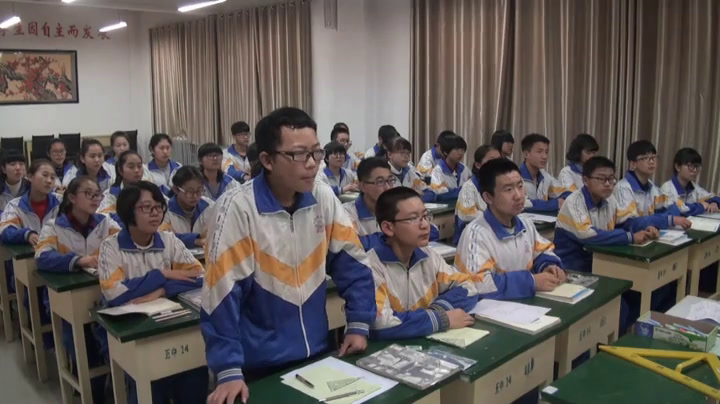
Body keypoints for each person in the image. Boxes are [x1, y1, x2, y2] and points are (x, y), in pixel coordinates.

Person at [202, 107, 376, 404]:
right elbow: (221, 293)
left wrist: (359, 323)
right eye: (298, 155)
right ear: (267, 160)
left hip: (317, 354)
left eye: (316, 153)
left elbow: (354, 264)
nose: (312, 164)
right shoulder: (238, 207)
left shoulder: (322, 197)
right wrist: (228, 370)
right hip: (258, 367)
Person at [98, 181, 206, 404]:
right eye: (146, 208)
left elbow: (199, 276)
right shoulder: (111, 247)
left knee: (195, 374)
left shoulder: (168, 240)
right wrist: (163, 274)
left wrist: (163, 290)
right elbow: (114, 293)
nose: (155, 213)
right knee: (151, 386)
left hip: (169, 322)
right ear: (128, 212)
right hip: (130, 331)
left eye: (158, 207)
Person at [35, 176, 121, 403]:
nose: (95, 199)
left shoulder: (105, 222)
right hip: (67, 297)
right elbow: (42, 257)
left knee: (112, 337)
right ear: (72, 197)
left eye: (97, 195)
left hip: (104, 292)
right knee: (79, 342)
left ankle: (114, 380)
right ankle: (90, 388)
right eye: (88, 194)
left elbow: (124, 243)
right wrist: (77, 260)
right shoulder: (54, 226)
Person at [366, 187, 478, 340]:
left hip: (423, 340)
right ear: (388, 227)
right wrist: (441, 319)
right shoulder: (370, 267)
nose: (425, 225)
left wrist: (438, 310)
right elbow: (380, 323)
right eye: (413, 218)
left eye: (425, 216)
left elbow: (469, 286)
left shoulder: (428, 256)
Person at [455, 159, 567, 298]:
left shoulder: (526, 224)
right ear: (488, 197)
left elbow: (542, 251)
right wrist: (531, 282)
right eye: (508, 190)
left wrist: (548, 266)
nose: (518, 196)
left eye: (520, 186)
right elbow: (479, 285)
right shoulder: (476, 234)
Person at [555, 157, 663, 271]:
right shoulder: (574, 202)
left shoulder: (610, 199)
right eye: (601, 179)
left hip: (600, 261)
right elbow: (588, 235)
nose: (607, 184)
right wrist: (630, 237)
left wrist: (646, 228)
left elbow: (625, 221)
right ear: (586, 180)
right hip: (572, 268)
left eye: (611, 179)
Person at [613, 140, 691, 230]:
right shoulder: (623, 188)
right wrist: (668, 220)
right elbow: (630, 223)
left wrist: (661, 220)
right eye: (645, 158)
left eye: (654, 157)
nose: (651, 162)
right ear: (633, 164)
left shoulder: (651, 186)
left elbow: (673, 207)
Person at [0, 159, 61, 247]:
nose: (49, 181)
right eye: (45, 175)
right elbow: (5, 231)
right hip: (29, 254)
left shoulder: (61, 202)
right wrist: (27, 235)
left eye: (52, 177)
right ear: (30, 177)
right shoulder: (15, 205)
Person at [454, 145, 502, 245]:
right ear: (478, 165)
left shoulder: (500, 185)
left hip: (494, 236)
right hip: (471, 240)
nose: (497, 164)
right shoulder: (469, 187)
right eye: (491, 160)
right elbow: (467, 214)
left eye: (499, 160)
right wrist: (498, 217)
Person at [164, 166, 215, 249]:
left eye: (199, 191)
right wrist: (195, 241)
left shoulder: (209, 206)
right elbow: (164, 237)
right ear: (176, 189)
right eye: (189, 192)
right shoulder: (165, 210)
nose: (195, 196)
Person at [344, 157, 396, 236]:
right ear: (362, 186)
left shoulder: (398, 211)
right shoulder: (347, 214)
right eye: (380, 182)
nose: (388, 188)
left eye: (390, 180)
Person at [661, 148, 720, 216]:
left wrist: (714, 203)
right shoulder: (667, 188)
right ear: (678, 167)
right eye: (691, 166)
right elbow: (677, 209)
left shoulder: (694, 187)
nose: (695, 170)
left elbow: (713, 197)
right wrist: (701, 206)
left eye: (697, 166)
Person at [520, 134, 568, 211]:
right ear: (526, 154)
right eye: (539, 152)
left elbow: (564, 192)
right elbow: (523, 204)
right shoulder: (517, 177)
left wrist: (565, 199)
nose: (544, 156)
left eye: (546, 152)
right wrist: (555, 203)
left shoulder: (544, 176)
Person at [98, 150, 145, 224]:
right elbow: (105, 218)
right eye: (131, 167)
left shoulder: (150, 191)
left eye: (139, 166)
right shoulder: (110, 195)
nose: (136, 170)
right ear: (120, 170)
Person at [386, 137, 434, 202]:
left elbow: (430, 193)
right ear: (389, 154)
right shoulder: (384, 173)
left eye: (408, 153)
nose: (406, 156)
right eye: (402, 153)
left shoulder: (409, 171)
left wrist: (415, 199)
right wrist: (411, 194)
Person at [429, 134, 471, 200]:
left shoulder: (464, 169)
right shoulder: (438, 171)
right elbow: (440, 194)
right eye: (457, 149)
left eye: (462, 149)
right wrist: (463, 190)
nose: (460, 153)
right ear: (445, 152)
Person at [0, 151, 29, 215]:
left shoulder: (31, 188)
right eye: (12, 164)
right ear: (4, 169)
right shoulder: (1, 190)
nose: (18, 168)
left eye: (21, 164)